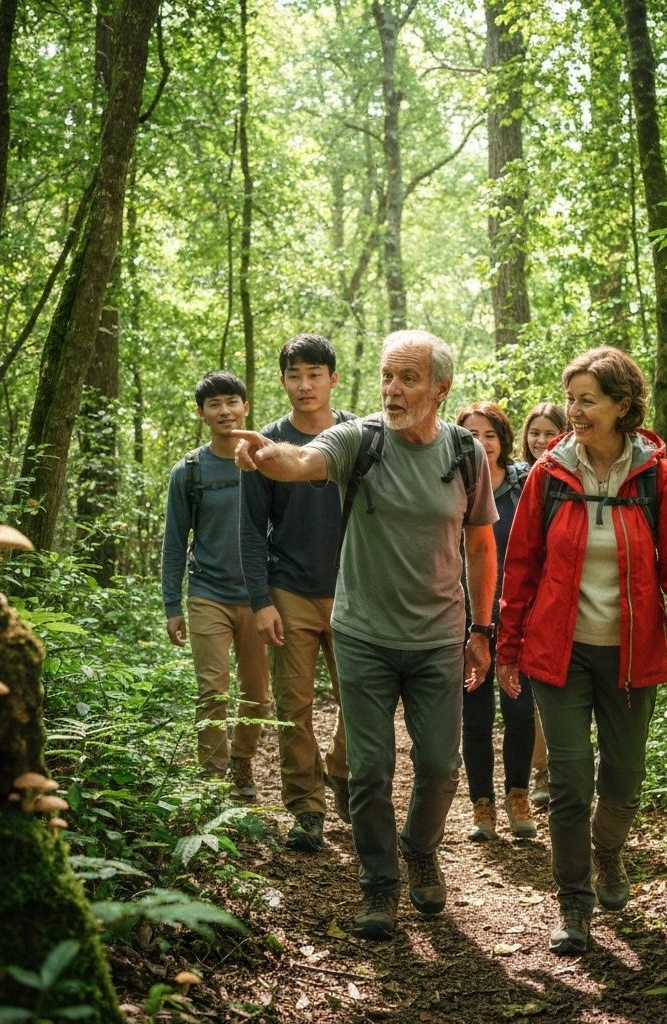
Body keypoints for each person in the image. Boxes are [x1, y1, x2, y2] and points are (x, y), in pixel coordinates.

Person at [233, 330, 498, 942]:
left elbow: (482, 545)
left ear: (440, 389)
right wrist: (267, 456)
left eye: (408, 378)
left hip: (439, 636)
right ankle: (379, 883)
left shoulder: (466, 453)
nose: (392, 390)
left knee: (440, 766)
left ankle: (420, 848)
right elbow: (303, 460)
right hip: (364, 635)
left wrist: (482, 629)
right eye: (386, 376)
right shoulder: (361, 439)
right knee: (370, 769)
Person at [497, 347, 667, 956]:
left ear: (622, 405)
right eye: (571, 400)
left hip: (632, 657)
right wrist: (508, 647)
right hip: (558, 655)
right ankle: (573, 901)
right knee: (569, 780)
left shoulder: (657, 477)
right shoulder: (549, 474)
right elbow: (521, 566)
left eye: (588, 400)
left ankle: (607, 852)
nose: (575, 412)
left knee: (624, 777)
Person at [239, 333, 353, 853]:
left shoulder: (358, 435)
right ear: (283, 382)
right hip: (289, 591)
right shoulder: (265, 443)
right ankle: (306, 810)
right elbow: (249, 527)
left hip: (355, 591)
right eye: (294, 376)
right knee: (294, 706)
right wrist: (260, 601)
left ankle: (341, 769)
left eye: (314, 375)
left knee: (361, 701)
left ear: (333, 378)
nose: (305, 385)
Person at [162, 370, 274, 801]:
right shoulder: (188, 471)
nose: (225, 411)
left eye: (231, 402)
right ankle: (211, 783)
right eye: (214, 404)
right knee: (213, 691)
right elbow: (175, 541)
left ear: (246, 406)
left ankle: (242, 761)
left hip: (260, 598)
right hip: (208, 594)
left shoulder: (267, 461)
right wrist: (172, 605)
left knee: (258, 695)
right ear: (202, 413)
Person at [455, 402, 536, 842]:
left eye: (489, 434)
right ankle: (482, 805)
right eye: (471, 435)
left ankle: (518, 795)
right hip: (467, 618)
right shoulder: (453, 483)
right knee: (476, 715)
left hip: (517, 617)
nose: (482, 443)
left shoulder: (523, 484)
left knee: (520, 711)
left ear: (503, 439)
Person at [518, 402, 569, 809]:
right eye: (534, 432)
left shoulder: (567, 476)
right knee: (533, 699)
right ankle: (539, 772)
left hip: (558, 599)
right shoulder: (514, 477)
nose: (540, 440)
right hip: (522, 598)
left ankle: (559, 772)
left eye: (549, 432)